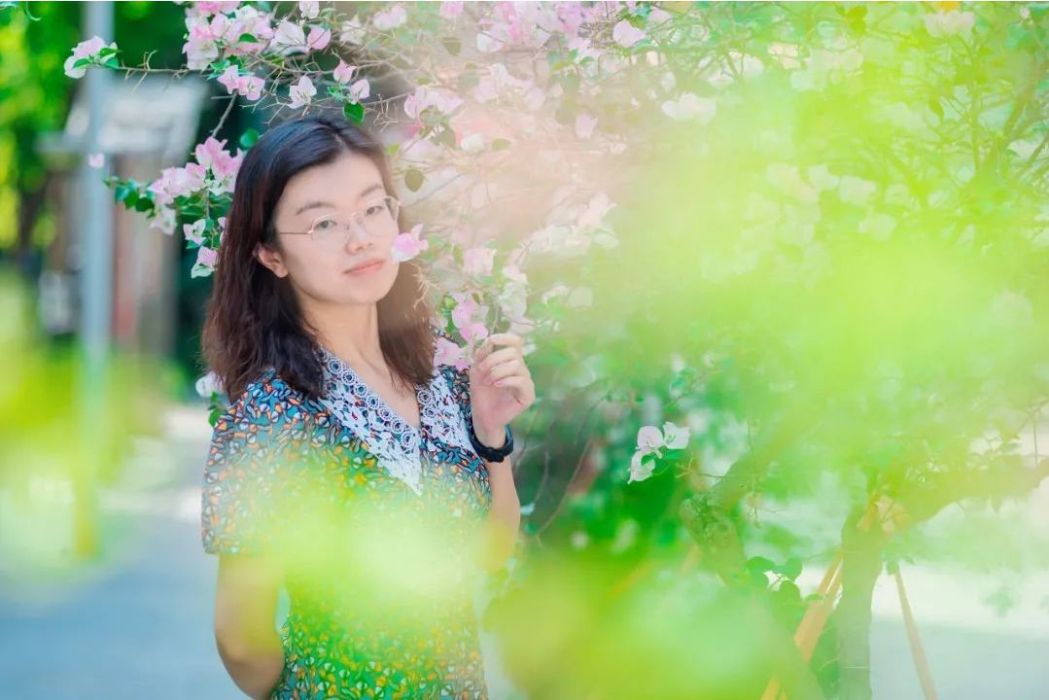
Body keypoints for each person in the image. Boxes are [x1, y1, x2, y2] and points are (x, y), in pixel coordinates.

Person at [199, 115, 534, 699]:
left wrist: (489, 433)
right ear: (272, 255)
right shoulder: (271, 421)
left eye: (373, 209)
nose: (360, 238)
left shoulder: (443, 382)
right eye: (323, 222)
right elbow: (240, 637)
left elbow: (489, 555)